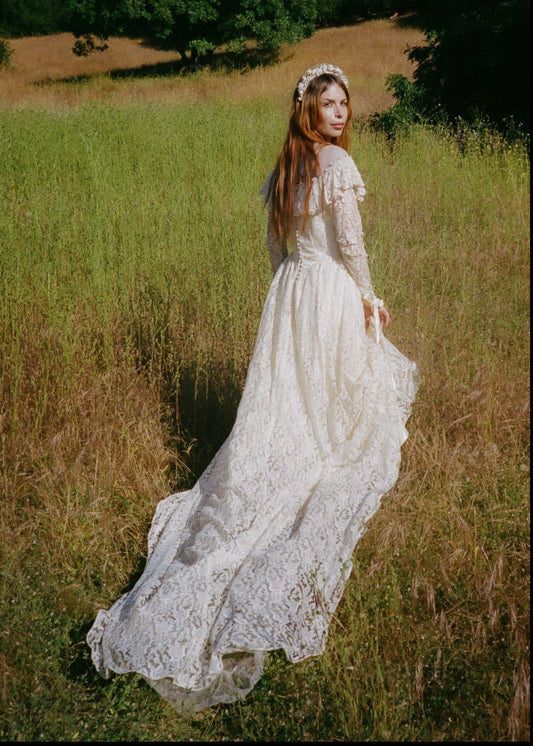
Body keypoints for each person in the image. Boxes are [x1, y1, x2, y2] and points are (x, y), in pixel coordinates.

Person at [87, 63, 419, 713]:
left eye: (344, 103)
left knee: (290, 400)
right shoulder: (333, 168)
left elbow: (276, 248)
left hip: (288, 295)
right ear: (306, 111)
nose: (339, 111)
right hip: (321, 290)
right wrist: (366, 296)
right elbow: (349, 241)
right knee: (338, 410)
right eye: (327, 104)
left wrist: (290, 293)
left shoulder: (284, 172)